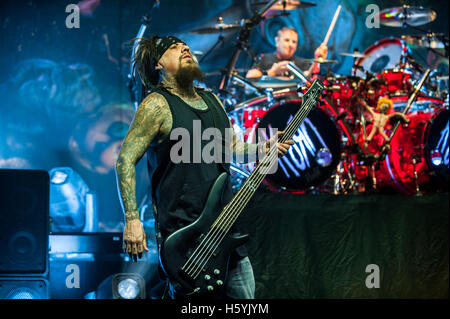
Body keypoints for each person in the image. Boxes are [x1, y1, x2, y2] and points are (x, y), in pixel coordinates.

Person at [115, 35, 294, 299]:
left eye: (184, 45)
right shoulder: (157, 105)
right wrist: (132, 220)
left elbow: (231, 150)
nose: (184, 48)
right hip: (185, 235)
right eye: (173, 48)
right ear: (158, 65)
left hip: (225, 228)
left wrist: (262, 148)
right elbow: (125, 160)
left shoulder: (213, 101)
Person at [246, 26, 328, 80]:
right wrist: (272, 73)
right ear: (277, 41)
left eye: (294, 42)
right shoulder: (264, 58)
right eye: (287, 40)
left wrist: (318, 59)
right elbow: (249, 81)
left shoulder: (301, 62)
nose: (290, 45)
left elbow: (310, 78)